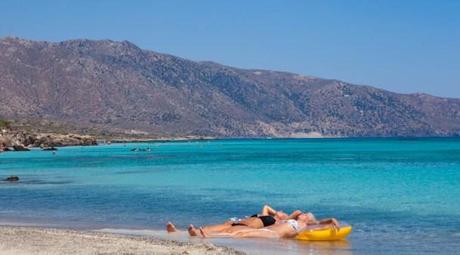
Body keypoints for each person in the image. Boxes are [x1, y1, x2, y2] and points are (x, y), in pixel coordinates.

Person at [166, 204, 302, 236]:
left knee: (227, 232)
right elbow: (266, 205)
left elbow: (298, 212)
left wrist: (281, 215)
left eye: (283, 213)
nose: (281, 212)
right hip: (238, 221)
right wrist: (276, 211)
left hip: (247, 226)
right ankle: (179, 232)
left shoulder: (278, 221)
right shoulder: (265, 214)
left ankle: (202, 235)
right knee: (214, 227)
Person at [199, 213, 340, 239]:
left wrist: (331, 219)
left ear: (309, 219)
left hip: (273, 235)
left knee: (241, 234)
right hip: (268, 230)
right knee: (239, 232)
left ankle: (209, 235)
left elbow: (320, 223)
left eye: (305, 214)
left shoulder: (305, 225)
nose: (302, 214)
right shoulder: (293, 222)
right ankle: (209, 234)